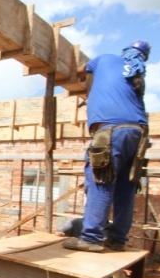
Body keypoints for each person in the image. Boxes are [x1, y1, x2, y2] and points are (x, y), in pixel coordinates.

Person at [63, 40, 150, 253]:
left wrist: (84, 79)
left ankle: (91, 238)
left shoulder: (106, 59)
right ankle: (118, 238)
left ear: (125, 51)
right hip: (138, 133)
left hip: (113, 131)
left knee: (101, 180)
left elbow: (79, 70)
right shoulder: (137, 78)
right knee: (125, 187)